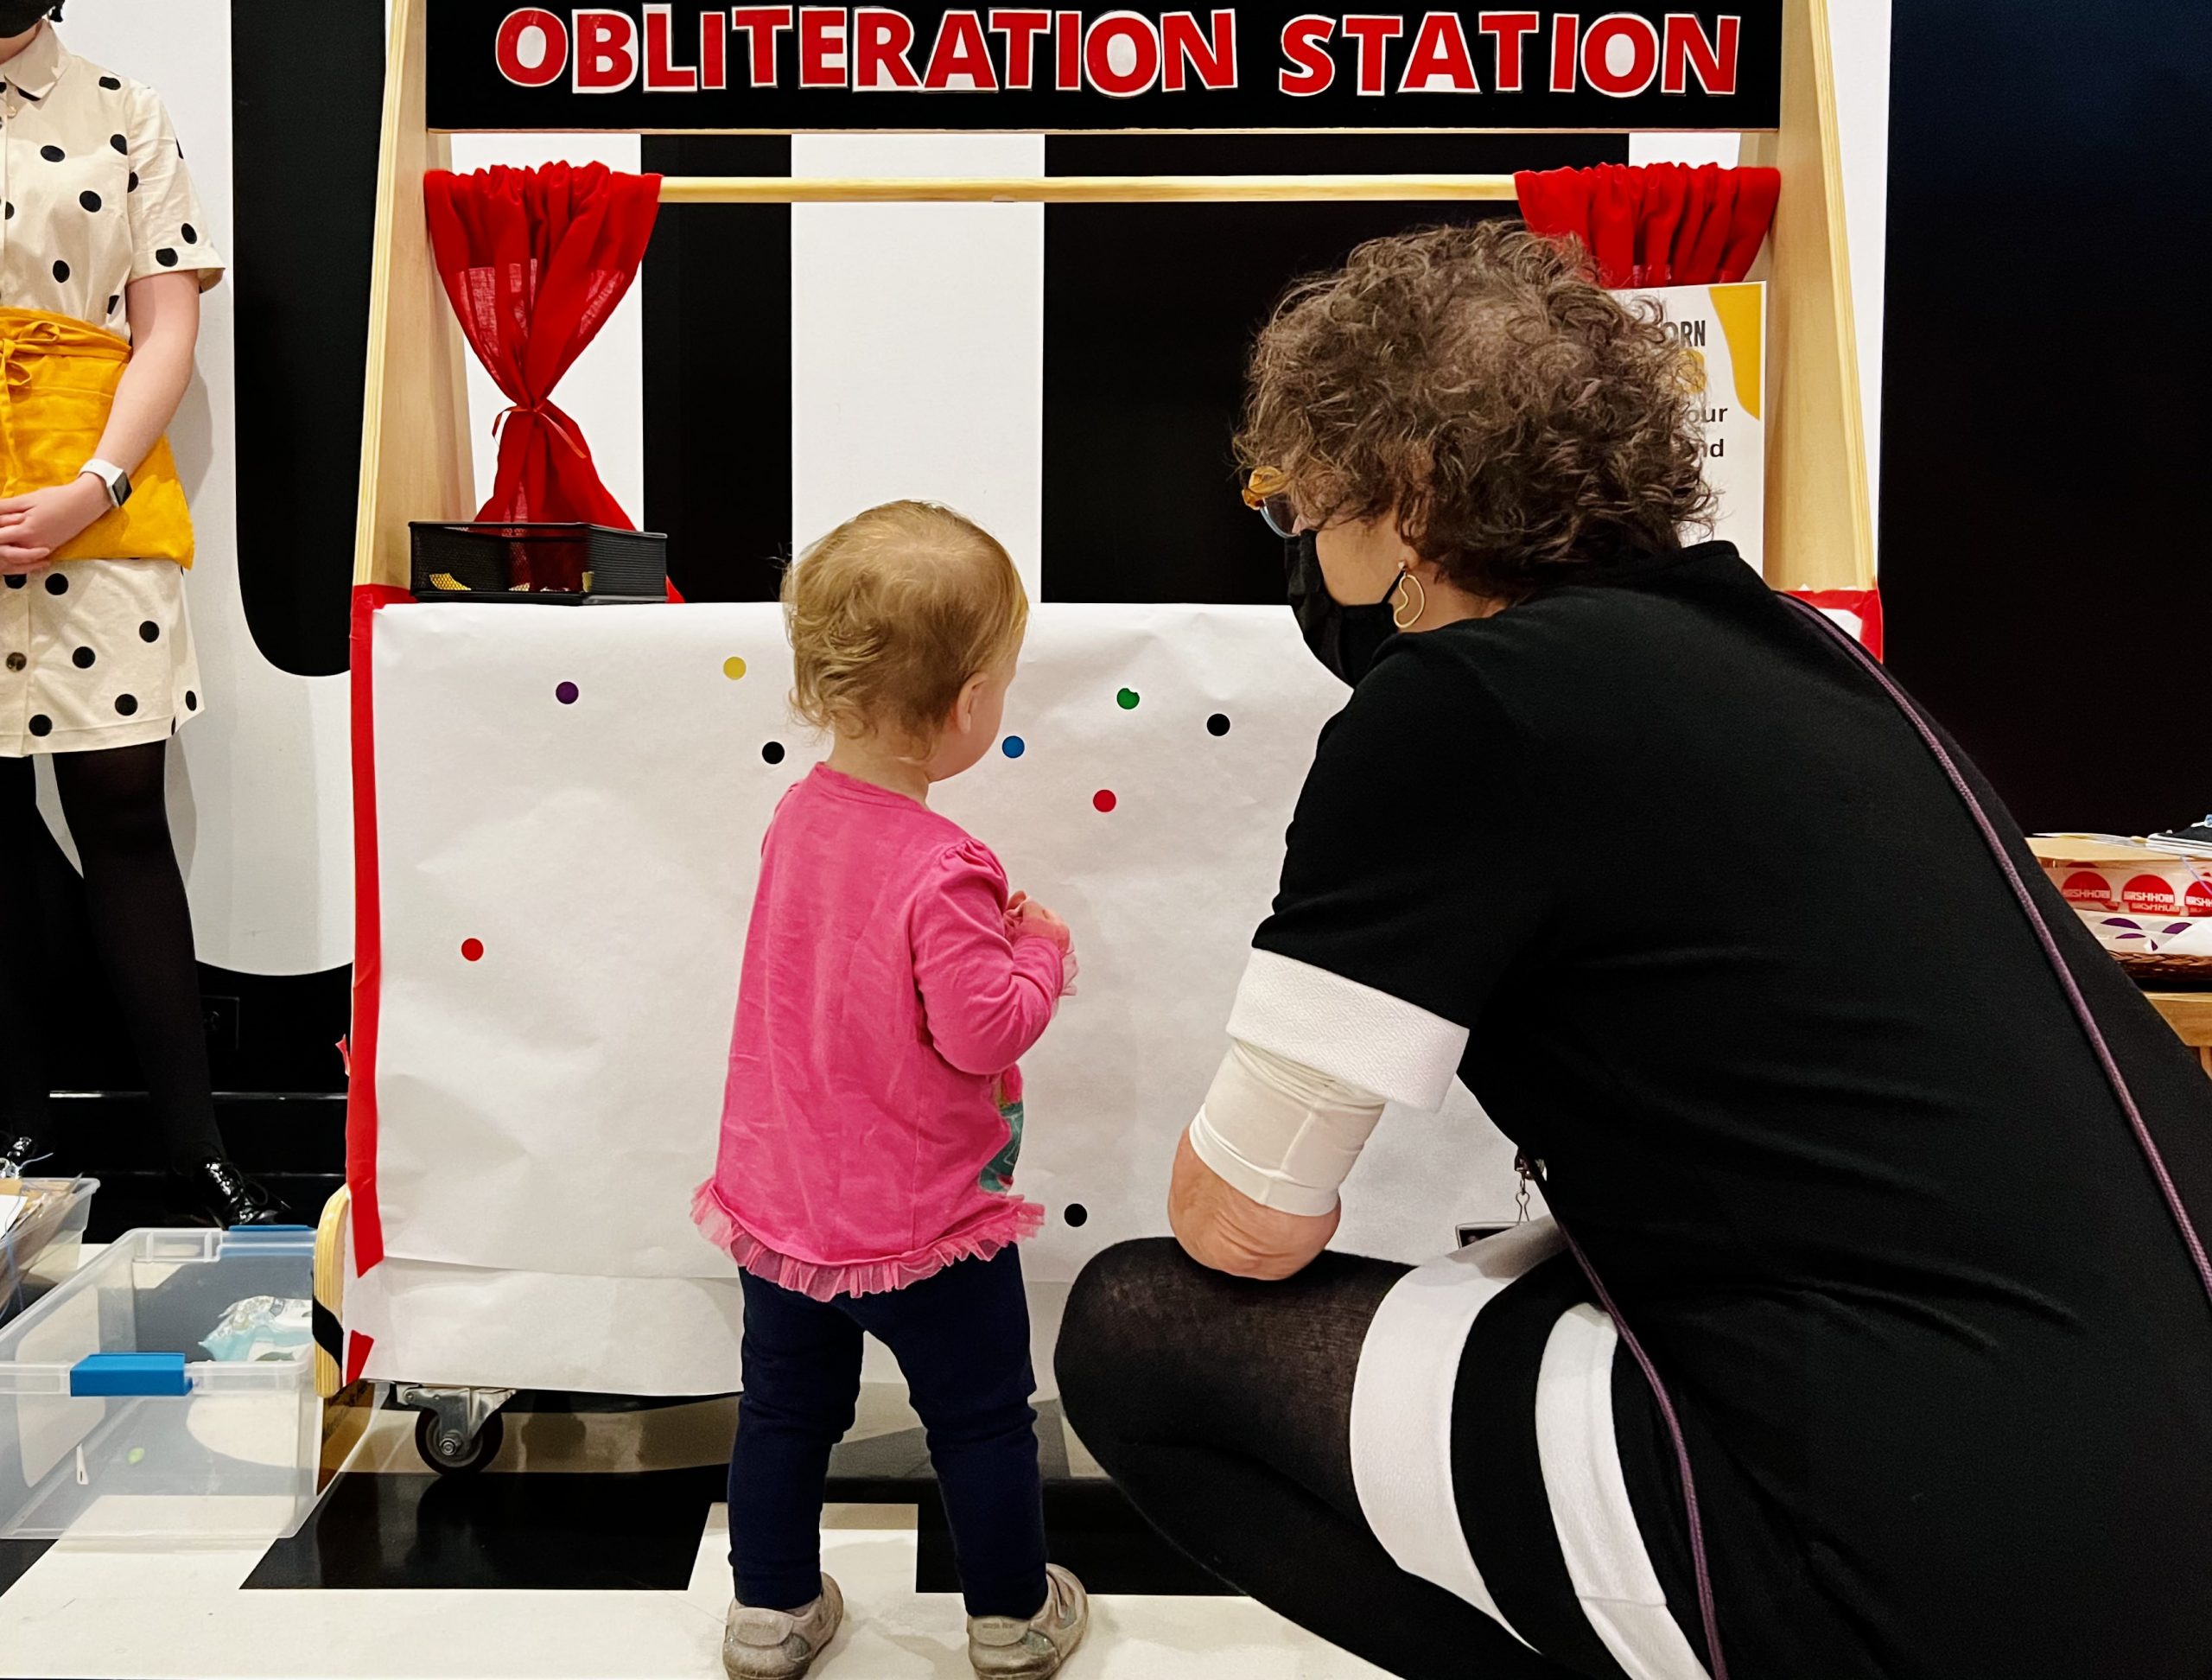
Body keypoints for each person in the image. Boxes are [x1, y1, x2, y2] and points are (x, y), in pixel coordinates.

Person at [1056, 222, 2212, 1680]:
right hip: (2146, 1459)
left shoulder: (1462, 709)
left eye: (1303, 503)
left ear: (1406, 496)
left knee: (1141, 1327)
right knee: (1528, 1270)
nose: (1300, 545)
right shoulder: (1804, 657)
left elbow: (1245, 1223)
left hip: (1951, 1547)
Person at [695, 501, 1090, 1680]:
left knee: (782, 1414)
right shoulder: (945, 868)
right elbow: (984, 1034)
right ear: (970, 705)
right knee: (976, 1420)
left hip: (788, 1202)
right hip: (928, 1219)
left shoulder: (797, 818)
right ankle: (1012, 1616)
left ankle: (768, 1613)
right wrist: (1046, 953)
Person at [0, 3, 283, 1224]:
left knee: (122, 810)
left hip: (89, 484)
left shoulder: (124, 109)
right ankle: (18, 1135)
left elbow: (168, 323)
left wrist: (94, 485)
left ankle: (196, 1148)